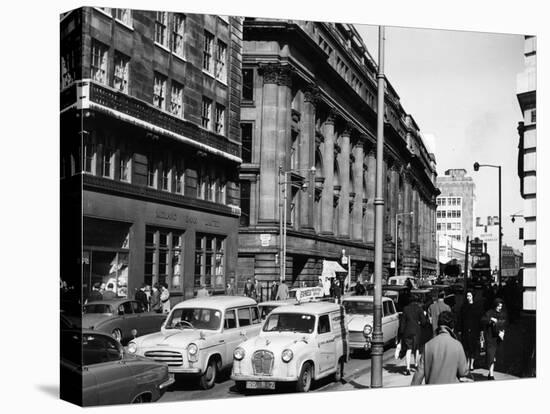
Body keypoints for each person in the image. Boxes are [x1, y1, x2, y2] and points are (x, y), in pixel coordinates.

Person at [411, 311, 468, 385]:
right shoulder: (457, 345)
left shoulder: (428, 345)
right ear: (452, 328)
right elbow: (463, 372)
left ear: (438, 326)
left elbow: (418, 376)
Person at [399, 295, 428, 375]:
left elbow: (403, 322)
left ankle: (407, 368)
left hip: (407, 331)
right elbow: (423, 322)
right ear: (417, 301)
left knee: (409, 349)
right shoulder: (419, 309)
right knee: (416, 348)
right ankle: (415, 364)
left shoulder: (405, 309)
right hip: (416, 331)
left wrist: (401, 333)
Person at [481, 298, 508, 380]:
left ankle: (490, 372)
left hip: (498, 338)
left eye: (501, 306)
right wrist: (491, 319)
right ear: (495, 305)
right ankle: (491, 373)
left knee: (494, 356)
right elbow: (483, 320)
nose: (500, 308)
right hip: (490, 337)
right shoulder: (490, 313)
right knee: (491, 355)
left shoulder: (503, 313)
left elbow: (505, 323)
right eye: (498, 306)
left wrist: (503, 332)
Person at [458, 290, 483, 371]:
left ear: (473, 296)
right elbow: (460, 319)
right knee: (466, 347)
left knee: (473, 347)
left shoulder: (477, 307)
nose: (468, 297)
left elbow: (480, 320)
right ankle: (468, 362)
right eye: (467, 296)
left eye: (470, 296)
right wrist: (459, 329)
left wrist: (481, 331)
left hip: (474, 330)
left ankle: (471, 364)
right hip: (465, 330)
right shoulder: (464, 307)